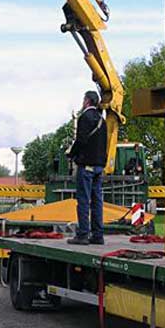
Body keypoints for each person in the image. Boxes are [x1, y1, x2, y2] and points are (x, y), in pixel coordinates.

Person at [66, 91, 107, 245]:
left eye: (84, 99)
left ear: (87, 101)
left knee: (83, 200)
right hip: (98, 165)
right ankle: (98, 235)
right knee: (97, 201)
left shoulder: (85, 117)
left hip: (86, 164)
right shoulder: (102, 120)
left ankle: (83, 234)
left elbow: (81, 139)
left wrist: (72, 154)